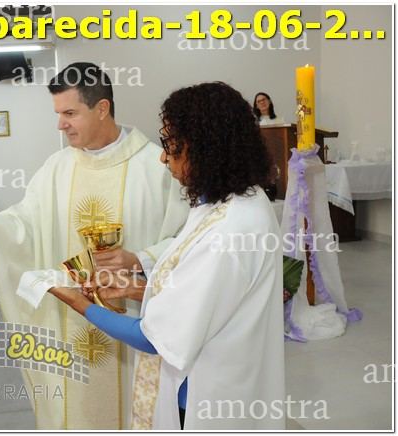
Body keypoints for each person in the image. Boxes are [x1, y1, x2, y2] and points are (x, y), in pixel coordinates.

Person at [0, 62, 190, 429]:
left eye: (70, 113)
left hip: (135, 328)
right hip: (70, 327)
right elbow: (22, 227)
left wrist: (139, 259)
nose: (60, 124)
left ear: (102, 108)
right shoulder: (56, 169)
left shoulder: (156, 167)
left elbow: (188, 240)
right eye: (58, 114)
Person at [49, 82, 285, 430]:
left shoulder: (230, 229)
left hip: (209, 398)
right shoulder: (232, 203)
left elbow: (153, 338)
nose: (163, 157)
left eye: (171, 145)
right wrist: (136, 290)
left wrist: (79, 303)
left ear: (205, 147)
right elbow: (207, 295)